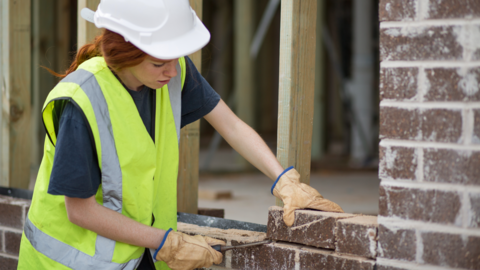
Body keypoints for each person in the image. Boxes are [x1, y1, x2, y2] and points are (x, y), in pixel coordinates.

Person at [18, 1, 343, 269]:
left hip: (134, 253)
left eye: (175, 57)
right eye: (160, 62)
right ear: (124, 53)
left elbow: (229, 124)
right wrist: (166, 242)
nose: (173, 71)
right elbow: (80, 210)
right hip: (68, 263)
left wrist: (284, 180)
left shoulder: (172, 73)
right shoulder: (82, 102)